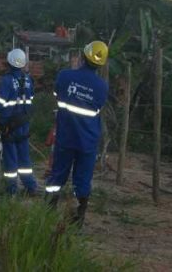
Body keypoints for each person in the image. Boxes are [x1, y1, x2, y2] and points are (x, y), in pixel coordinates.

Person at [45, 40, 110, 226]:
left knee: (57, 175)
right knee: (82, 180)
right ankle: (77, 219)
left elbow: (58, 96)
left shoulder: (65, 76)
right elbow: (97, 106)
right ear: (101, 64)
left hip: (65, 137)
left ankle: (48, 212)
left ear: (82, 56)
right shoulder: (102, 86)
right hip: (88, 141)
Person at [0, 48, 38, 195]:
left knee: (10, 158)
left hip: (9, 126)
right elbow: (30, 99)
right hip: (24, 124)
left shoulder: (6, 80)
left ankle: (12, 189)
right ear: (23, 63)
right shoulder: (28, 80)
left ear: (9, 62)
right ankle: (30, 187)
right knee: (24, 158)